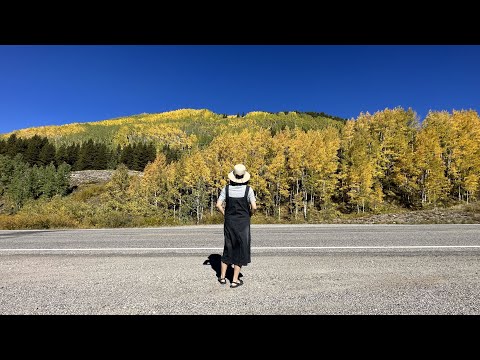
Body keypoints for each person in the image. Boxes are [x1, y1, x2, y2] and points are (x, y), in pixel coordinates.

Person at [216, 164, 257, 288]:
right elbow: (254, 207)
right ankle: (234, 280)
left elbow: (218, 205)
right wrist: (250, 214)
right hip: (243, 223)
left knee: (228, 247)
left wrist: (226, 214)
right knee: (240, 247)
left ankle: (222, 277)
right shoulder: (248, 190)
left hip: (229, 222)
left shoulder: (226, 189)